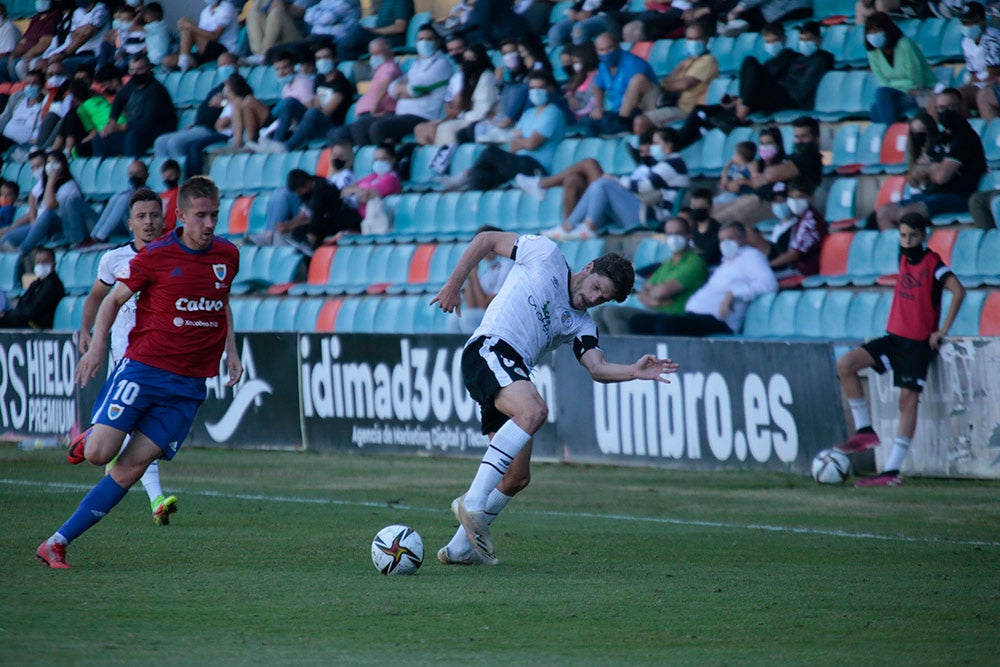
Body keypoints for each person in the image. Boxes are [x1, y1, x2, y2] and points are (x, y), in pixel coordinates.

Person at [430, 230, 678, 564]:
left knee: (517, 477)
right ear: (588, 268)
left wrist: (633, 371)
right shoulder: (544, 255)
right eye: (597, 289)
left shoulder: (582, 325)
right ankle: (472, 502)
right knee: (534, 412)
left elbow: (597, 367)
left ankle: (460, 549)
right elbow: (487, 239)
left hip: (513, 372)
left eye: (603, 299)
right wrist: (454, 284)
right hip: (490, 348)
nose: (594, 299)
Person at [36, 176, 242, 569]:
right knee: (100, 455)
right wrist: (97, 346)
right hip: (144, 369)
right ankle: (93, 436)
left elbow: (221, 303)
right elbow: (112, 300)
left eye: (215, 214)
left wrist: (231, 350)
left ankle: (56, 543)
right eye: (201, 216)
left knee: (130, 470)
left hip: (188, 387)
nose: (210, 224)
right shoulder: (156, 255)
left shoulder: (227, 255)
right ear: (180, 216)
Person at [834, 212, 965, 487]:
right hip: (893, 338)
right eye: (903, 236)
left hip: (917, 344)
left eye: (913, 236)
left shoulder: (934, 264)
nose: (907, 241)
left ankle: (892, 471)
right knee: (846, 365)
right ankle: (865, 430)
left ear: (924, 236)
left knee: (907, 402)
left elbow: (958, 291)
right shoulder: (903, 257)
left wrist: (942, 330)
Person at [78, 187, 177, 524]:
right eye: (141, 217)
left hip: (164, 360)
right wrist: (86, 333)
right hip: (127, 362)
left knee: (135, 437)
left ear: (164, 219)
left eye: (153, 215)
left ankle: (93, 439)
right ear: (130, 223)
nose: (148, 222)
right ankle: (157, 500)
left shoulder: (177, 256)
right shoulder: (115, 259)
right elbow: (95, 297)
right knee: (139, 435)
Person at [625, 221, 777, 336]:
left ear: (742, 239)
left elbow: (769, 284)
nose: (725, 244)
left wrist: (734, 293)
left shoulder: (751, 256)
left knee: (666, 324)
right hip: (695, 316)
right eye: (722, 240)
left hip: (719, 322)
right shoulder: (727, 262)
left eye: (730, 238)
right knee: (637, 322)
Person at [540, 127, 689, 239]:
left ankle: (582, 226)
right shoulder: (670, 163)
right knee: (595, 184)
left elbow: (641, 187)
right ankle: (569, 226)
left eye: (656, 143)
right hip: (644, 211)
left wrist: (617, 180)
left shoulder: (672, 164)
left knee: (604, 183)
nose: (652, 148)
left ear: (668, 146)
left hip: (651, 216)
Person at [870, 89, 986, 230]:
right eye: (941, 108)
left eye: (951, 107)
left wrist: (930, 167)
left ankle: (917, 250)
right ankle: (901, 251)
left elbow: (940, 177)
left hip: (958, 196)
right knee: (883, 213)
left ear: (960, 107)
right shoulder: (940, 138)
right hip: (932, 195)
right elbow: (915, 174)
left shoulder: (965, 137)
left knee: (908, 215)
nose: (946, 112)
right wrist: (935, 166)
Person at [443, 70, 565, 191]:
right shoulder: (529, 113)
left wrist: (523, 143)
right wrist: (523, 143)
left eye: (540, 88)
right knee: (480, 176)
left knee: (491, 152)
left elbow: (532, 144)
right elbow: (514, 143)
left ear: (550, 89)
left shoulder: (552, 112)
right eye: (532, 88)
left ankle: (465, 175)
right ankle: (473, 205)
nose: (535, 92)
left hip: (537, 167)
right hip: (518, 162)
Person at [592, 216, 709, 334]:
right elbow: (643, 292)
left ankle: (627, 352)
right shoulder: (668, 263)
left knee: (613, 313)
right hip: (656, 309)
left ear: (689, 235)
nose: (673, 238)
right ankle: (603, 350)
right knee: (598, 312)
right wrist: (657, 301)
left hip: (675, 316)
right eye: (670, 234)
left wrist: (654, 293)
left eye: (678, 233)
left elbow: (660, 292)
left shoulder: (694, 263)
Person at [712, 117, 823, 226]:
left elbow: (770, 175)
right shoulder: (792, 157)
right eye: (796, 137)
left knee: (721, 219)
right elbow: (764, 177)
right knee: (712, 210)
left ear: (816, 138)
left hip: (776, 203)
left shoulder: (810, 158)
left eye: (804, 137)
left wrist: (763, 175)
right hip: (758, 197)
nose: (799, 141)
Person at [153, 51, 237, 175]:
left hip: (211, 129)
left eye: (227, 65)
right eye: (220, 66)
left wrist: (224, 102)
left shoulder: (238, 86)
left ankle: (179, 179)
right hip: (198, 127)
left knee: (175, 142)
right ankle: (164, 182)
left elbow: (237, 105)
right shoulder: (218, 88)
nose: (223, 69)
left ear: (235, 65)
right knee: (160, 142)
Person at [5, 150, 96, 259]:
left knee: (48, 213)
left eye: (54, 162)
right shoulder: (45, 182)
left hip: (62, 226)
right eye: (48, 162)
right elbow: (32, 196)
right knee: (7, 239)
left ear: (61, 165)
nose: (50, 166)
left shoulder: (69, 186)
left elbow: (49, 205)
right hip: (41, 226)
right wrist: (34, 221)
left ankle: (22, 251)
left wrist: (52, 179)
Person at [633, 22, 718, 134]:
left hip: (686, 110)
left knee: (640, 122)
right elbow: (667, 81)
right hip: (671, 102)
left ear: (706, 39)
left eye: (698, 39)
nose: (693, 42)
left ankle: (643, 149)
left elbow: (684, 84)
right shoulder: (686, 62)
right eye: (690, 39)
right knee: (640, 81)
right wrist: (671, 85)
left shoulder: (708, 60)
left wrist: (670, 84)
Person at [94, 53, 176, 157]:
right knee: (100, 138)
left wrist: (121, 127)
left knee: (132, 137)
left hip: (157, 131)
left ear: (148, 69)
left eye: (139, 70)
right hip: (135, 130)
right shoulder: (132, 84)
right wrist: (112, 121)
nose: (135, 73)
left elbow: (148, 121)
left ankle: (134, 168)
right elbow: (119, 99)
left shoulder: (155, 90)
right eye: (132, 70)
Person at [326, 38, 402, 147]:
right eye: (372, 54)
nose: (374, 57)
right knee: (333, 134)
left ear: (389, 52)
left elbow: (387, 81)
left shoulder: (390, 66)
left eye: (378, 52)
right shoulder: (378, 71)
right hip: (367, 116)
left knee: (356, 128)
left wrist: (375, 105)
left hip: (382, 113)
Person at [864, 11, 937, 124]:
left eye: (877, 30)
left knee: (878, 106)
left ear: (887, 29)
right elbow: (883, 81)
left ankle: (889, 134)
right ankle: (892, 133)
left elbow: (915, 81)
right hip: (900, 92)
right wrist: (903, 87)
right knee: (878, 102)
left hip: (922, 92)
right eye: (870, 31)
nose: (873, 34)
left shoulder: (905, 45)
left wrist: (899, 86)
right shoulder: (872, 52)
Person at [749, 179, 827, 280]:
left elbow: (794, 254)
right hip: (795, 267)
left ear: (811, 198)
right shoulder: (801, 217)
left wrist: (768, 265)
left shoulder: (810, 221)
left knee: (757, 278)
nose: (795, 202)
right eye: (792, 197)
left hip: (803, 270)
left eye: (800, 197)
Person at [446, 225, 515, 334]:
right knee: (454, 319)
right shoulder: (491, 268)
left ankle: (477, 350)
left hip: (505, 316)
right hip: (489, 314)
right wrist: (470, 274)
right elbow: (472, 305)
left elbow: (484, 305)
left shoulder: (507, 264)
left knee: (467, 318)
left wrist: (474, 276)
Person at [590, 32, 657, 135]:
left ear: (618, 46)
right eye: (602, 50)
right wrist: (598, 107)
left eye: (609, 48)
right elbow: (598, 85)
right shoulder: (603, 65)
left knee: (610, 124)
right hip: (616, 112)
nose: (606, 53)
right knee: (592, 122)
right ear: (597, 51)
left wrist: (621, 117)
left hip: (638, 111)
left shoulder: (633, 64)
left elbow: (638, 95)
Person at [952, 2, 1000, 120]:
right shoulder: (966, 42)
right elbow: (973, 75)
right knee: (955, 96)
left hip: (993, 82)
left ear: (982, 21)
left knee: (964, 95)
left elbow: (993, 74)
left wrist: (974, 84)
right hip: (980, 83)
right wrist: (972, 84)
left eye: (970, 22)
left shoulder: (992, 38)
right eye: (964, 22)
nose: (967, 26)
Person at [162, 0, 238, 73]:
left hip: (223, 49)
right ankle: (185, 63)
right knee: (167, 61)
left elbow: (214, 36)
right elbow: (199, 35)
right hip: (205, 51)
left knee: (188, 30)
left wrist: (191, 26)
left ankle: (183, 66)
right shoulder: (205, 12)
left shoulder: (227, 8)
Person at [0, 247, 64, 329]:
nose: (40, 265)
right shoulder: (37, 283)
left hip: (37, 325)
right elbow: (21, 303)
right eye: (38, 262)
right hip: (26, 320)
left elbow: (31, 311)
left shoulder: (52, 284)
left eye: (44, 262)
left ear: (53, 264)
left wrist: (6, 315)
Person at [88, 159, 148, 244]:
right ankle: (95, 235)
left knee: (125, 198)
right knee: (116, 197)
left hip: (141, 232)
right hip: (126, 226)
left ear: (146, 175)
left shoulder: (149, 194)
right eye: (132, 174)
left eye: (138, 174)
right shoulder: (127, 192)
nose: (134, 176)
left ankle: (101, 236)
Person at [0, 1, 60, 84]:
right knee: (13, 61)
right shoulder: (35, 18)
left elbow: (44, 43)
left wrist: (27, 55)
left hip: (39, 54)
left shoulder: (52, 17)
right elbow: (23, 42)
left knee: (16, 65)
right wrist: (14, 55)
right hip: (25, 54)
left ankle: (22, 87)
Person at [332, 0, 413, 61]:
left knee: (357, 32)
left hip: (392, 39)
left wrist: (374, 31)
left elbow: (400, 27)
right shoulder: (385, 2)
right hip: (380, 37)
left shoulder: (401, 1)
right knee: (345, 45)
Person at [0, 68, 47, 155]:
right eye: (28, 83)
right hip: (4, 139)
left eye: (34, 84)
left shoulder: (45, 104)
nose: (30, 86)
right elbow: (5, 116)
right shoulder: (17, 97)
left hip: (21, 145)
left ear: (42, 85)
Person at [714, 139, 758, 206]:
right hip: (731, 194)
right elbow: (724, 185)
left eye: (734, 154)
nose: (733, 156)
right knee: (713, 202)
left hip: (743, 197)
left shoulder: (751, 165)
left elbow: (756, 183)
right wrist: (725, 169)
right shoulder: (737, 169)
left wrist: (742, 181)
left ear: (740, 156)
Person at [687, 186, 722, 267]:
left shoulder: (716, 231)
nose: (697, 209)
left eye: (701, 206)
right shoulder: (691, 228)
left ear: (710, 208)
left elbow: (706, 257)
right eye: (694, 206)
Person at [159, 158, 181, 233]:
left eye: (171, 176)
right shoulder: (162, 195)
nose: (168, 179)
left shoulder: (182, 193)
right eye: (165, 177)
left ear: (178, 174)